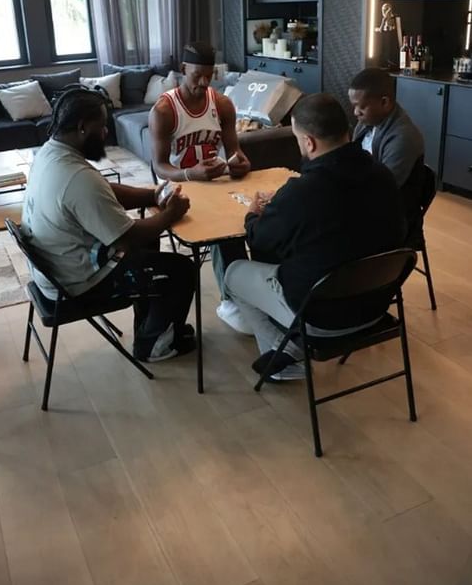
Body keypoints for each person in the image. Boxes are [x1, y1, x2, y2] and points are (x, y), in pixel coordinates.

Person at [224, 93, 406, 381]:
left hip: (322, 316)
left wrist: (252, 214)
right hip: (376, 305)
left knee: (234, 274)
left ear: (308, 142)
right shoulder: (382, 175)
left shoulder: (303, 192)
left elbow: (259, 240)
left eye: (297, 139)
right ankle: (291, 346)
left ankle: (285, 357)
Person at [21, 88, 196, 363]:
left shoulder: (51, 154)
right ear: (82, 128)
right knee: (182, 270)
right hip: (75, 284)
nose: (105, 133)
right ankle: (153, 347)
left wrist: (152, 195)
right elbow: (127, 237)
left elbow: (102, 191)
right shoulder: (76, 177)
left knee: (149, 244)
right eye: (101, 127)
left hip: (53, 270)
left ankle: (151, 329)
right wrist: (171, 214)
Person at [149, 41, 252, 333]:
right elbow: (158, 166)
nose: (204, 83)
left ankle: (251, 291)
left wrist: (240, 162)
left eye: (210, 76)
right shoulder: (164, 110)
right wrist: (189, 174)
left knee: (249, 217)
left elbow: (235, 151)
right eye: (198, 76)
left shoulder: (222, 104)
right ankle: (232, 300)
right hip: (178, 184)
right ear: (183, 70)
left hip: (213, 180)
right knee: (222, 229)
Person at [348, 67, 425, 231]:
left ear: (384, 102)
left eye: (360, 107)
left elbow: (382, 189)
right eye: (353, 106)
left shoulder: (403, 137)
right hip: (366, 196)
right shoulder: (367, 122)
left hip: (391, 217)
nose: (355, 113)